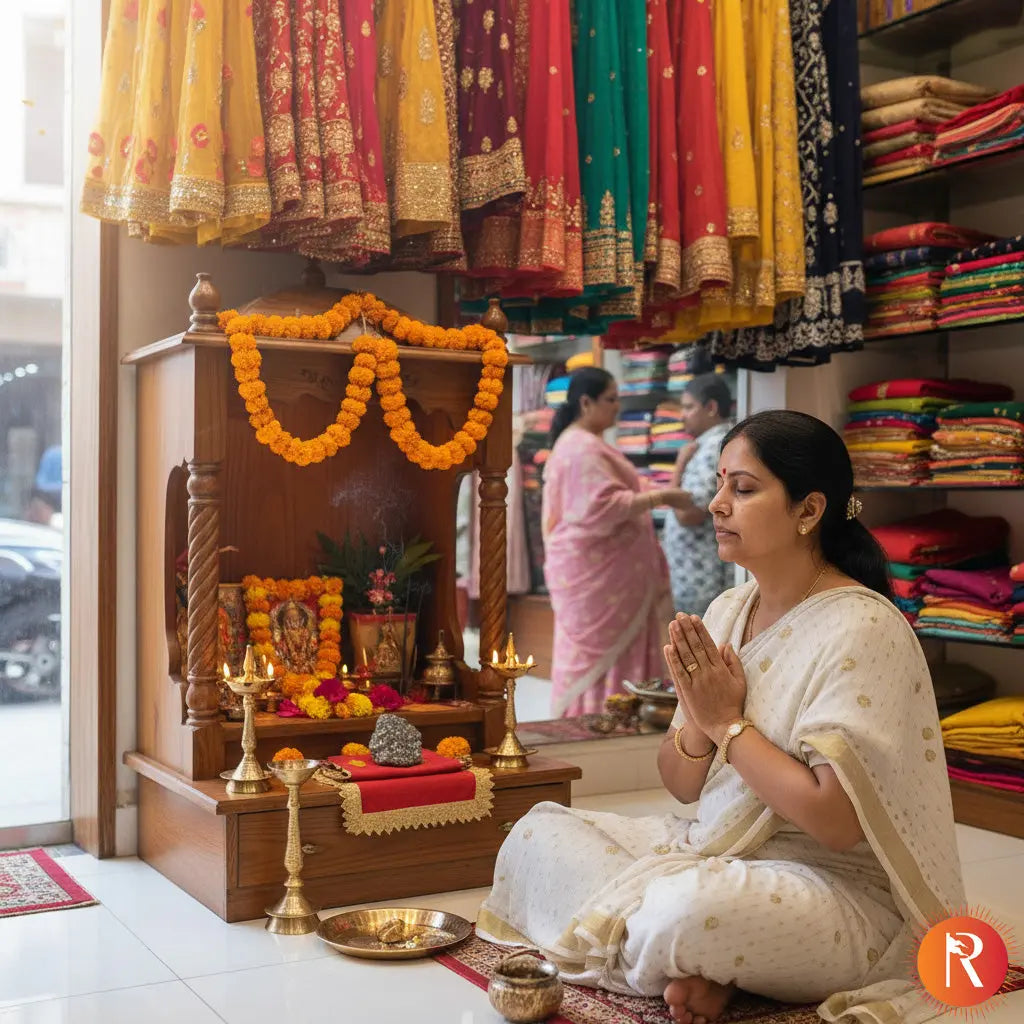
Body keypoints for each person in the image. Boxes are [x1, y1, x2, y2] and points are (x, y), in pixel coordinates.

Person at [479, 410, 963, 1024]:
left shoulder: (862, 628)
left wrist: (728, 727)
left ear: (808, 511)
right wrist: (701, 725)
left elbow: (835, 823)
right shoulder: (730, 609)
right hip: (718, 853)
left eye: (742, 488)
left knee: (683, 911)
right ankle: (710, 969)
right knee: (535, 836)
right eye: (718, 484)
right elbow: (682, 786)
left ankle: (694, 959)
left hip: (831, 888)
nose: (715, 504)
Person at [543, 367, 696, 718]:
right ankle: (602, 718)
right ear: (586, 402)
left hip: (607, 572)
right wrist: (664, 497)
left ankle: (619, 715)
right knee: (601, 653)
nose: (617, 407)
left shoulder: (583, 444)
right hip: (599, 575)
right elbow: (600, 508)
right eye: (610, 399)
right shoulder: (581, 448)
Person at [663, 375, 734, 616]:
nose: (682, 415)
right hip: (700, 575)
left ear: (711, 407)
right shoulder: (712, 444)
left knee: (700, 647)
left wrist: (680, 465)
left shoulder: (712, 447)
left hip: (701, 576)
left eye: (688, 407)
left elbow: (688, 514)